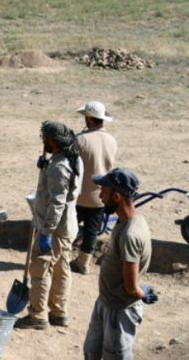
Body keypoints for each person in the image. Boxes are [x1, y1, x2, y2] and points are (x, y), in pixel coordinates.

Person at [83, 168, 157, 360]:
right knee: (91, 352)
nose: (99, 196)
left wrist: (142, 294)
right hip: (105, 302)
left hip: (119, 311)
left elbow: (131, 287)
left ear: (116, 196)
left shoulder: (130, 234)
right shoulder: (125, 222)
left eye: (103, 191)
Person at [17, 120, 83, 330]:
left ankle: (37, 316)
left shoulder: (59, 167)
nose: (42, 141)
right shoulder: (71, 159)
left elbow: (57, 202)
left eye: (44, 137)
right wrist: (46, 167)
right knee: (62, 269)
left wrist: (46, 232)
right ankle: (58, 312)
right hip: (67, 227)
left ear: (53, 140)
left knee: (40, 269)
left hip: (54, 229)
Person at [72, 100, 118, 275]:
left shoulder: (80, 139)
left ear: (89, 118)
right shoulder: (111, 140)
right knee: (92, 231)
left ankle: (58, 258)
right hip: (100, 196)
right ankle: (83, 263)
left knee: (69, 228)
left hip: (78, 195)